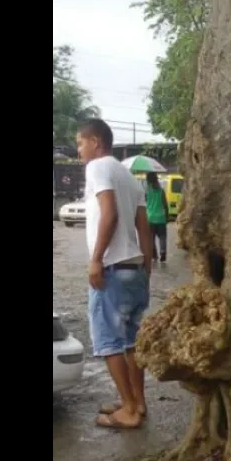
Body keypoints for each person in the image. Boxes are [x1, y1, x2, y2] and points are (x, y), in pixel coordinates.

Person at [78, 118, 153, 430]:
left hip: (111, 270)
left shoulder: (97, 167)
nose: (79, 149)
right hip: (134, 269)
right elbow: (143, 226)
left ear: (96, 141)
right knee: (133, 343)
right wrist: (147, 266)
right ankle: (137, 401)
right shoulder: (129, 176)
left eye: (80, 143)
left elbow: (109, 214)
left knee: (108, 341)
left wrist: (96, 259)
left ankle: (129, 412)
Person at [144, 172, 169, 262]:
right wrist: (167, 216)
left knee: (151, 238)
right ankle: (163, 253)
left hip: (150, 218)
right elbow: (165, 205)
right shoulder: (161, 191)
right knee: (162, 237)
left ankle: (154, 255)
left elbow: (144, 203)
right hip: (161, 218)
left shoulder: (147, 191)